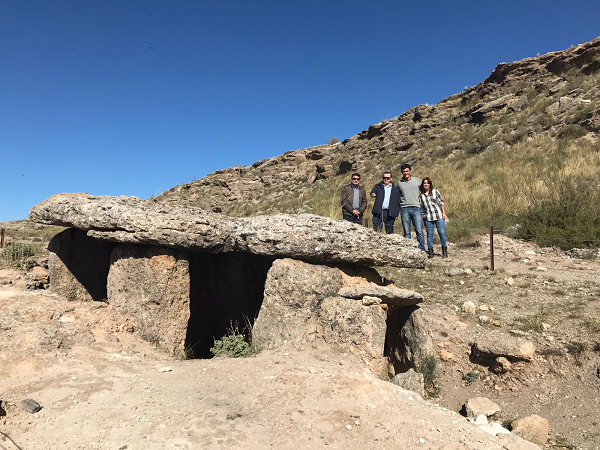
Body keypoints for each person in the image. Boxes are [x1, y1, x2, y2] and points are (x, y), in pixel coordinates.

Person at [398, 163, 426, 251]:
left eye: (407, 171)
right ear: (402, 173)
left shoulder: (418, 181)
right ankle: (408, 250)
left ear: (410, 171)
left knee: (419, 230)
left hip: (416, 208)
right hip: (404, 209)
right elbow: (397, 196)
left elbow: (425, 192)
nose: (406, 173)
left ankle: (422, 249)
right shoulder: (399, 183)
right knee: (406, 231)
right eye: (404, 172)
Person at [420, 177, 448, 258]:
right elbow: (422, 208)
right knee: (429, 235)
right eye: (424, 183)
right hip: (428, 217)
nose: (426, 184)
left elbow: (441, 203)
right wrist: (423, 219)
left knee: (442, 233)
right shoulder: (421, 196)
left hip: (438, 216)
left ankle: (444, 251)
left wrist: (444, 213)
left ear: (430, 184)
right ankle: (431, 252)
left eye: (427, 183)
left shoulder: (435, 191)